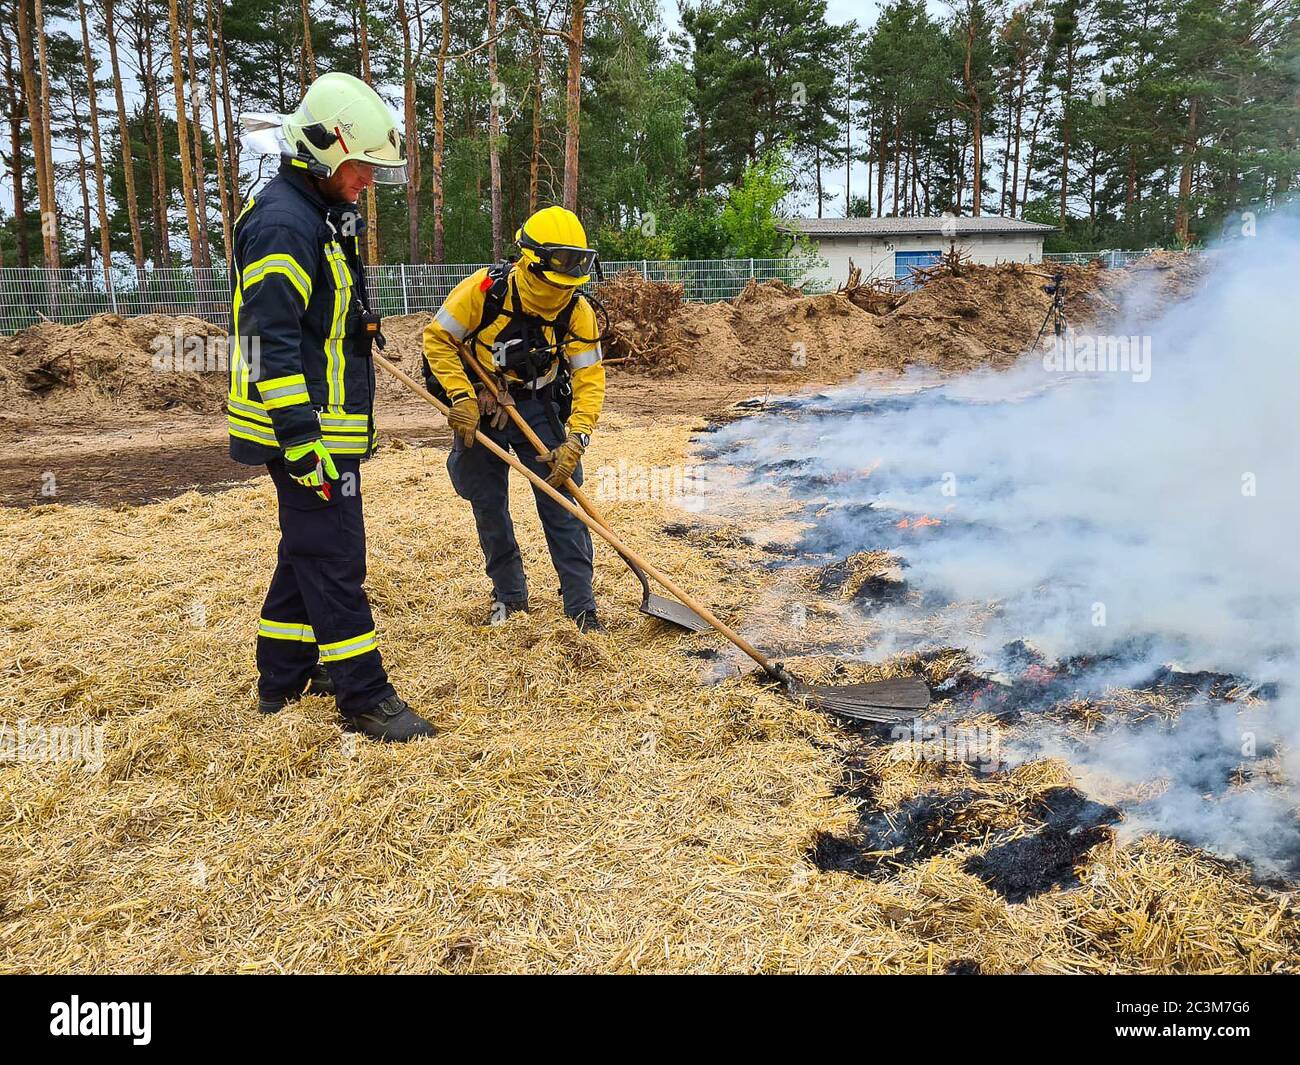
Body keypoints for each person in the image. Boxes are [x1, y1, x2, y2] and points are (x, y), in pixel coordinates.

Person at [227, 71, 435, 742]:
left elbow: (319, 309)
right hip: (305, 435)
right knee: (336, 556)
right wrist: (301, 438)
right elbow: (269, 343)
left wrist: (359, 325)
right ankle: (365, 697)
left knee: (307, 551)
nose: (366, 182)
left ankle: (282, 677)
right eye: (360, 166)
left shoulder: (313, 212)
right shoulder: (286, 223)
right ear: (321, 149)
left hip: (322, 429)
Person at [421, 206, 607, 631]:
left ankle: (581, 608)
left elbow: (588, 377)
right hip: (483, 402)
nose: (560, 293)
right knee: (487, 501)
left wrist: (577, 438)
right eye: (553, 283)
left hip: (537, 402)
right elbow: (439, 338)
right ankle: (509, 599)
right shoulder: (485, 290)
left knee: (563, 500)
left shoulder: (577, 311)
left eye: (568, 285)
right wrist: (462, 396)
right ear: (529, 262)